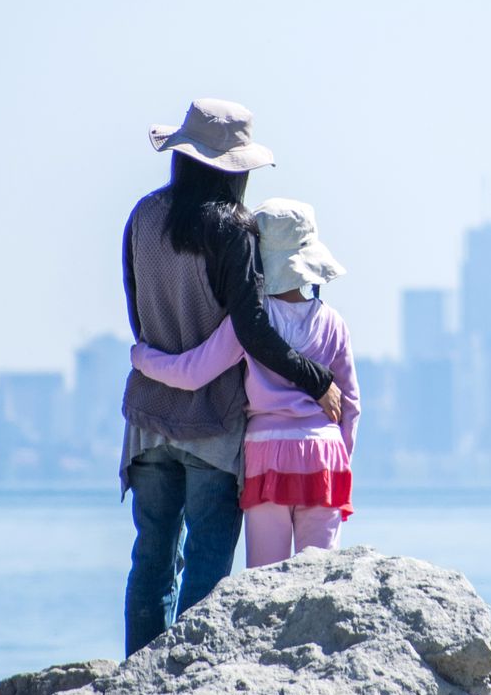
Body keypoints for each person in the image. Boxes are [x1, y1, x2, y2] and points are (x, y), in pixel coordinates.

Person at [121, 99, 342, 656]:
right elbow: (253, 330)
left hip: (146, 420)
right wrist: (317, 379)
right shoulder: (232, 230)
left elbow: (138, 318)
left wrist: (155, 361)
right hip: (211, 427)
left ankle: (136, 675)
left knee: (151, 558)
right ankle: (189, 678)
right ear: (229, 168)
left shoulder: (142, 218)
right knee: (208, 566)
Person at [131, 198, 359, 568]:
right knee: (319, 581)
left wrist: (143, 358)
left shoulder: (250, 322)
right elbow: (351, 405)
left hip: (268, 453)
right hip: (325, 454)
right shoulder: (334, 322)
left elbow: (193, 373)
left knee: (266, 583)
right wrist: (340, 458)